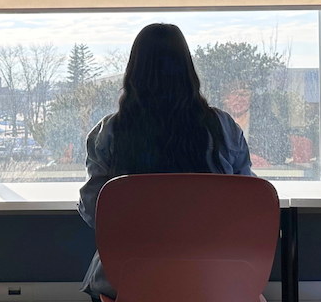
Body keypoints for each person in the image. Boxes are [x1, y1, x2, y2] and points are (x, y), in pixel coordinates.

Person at [78, 23, 255, 301]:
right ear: (188, 71)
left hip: (128, 279)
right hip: (211, 278)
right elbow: (247, 204)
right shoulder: (223, 128)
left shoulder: (109, 132)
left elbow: (95, 214)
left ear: (133, 72)